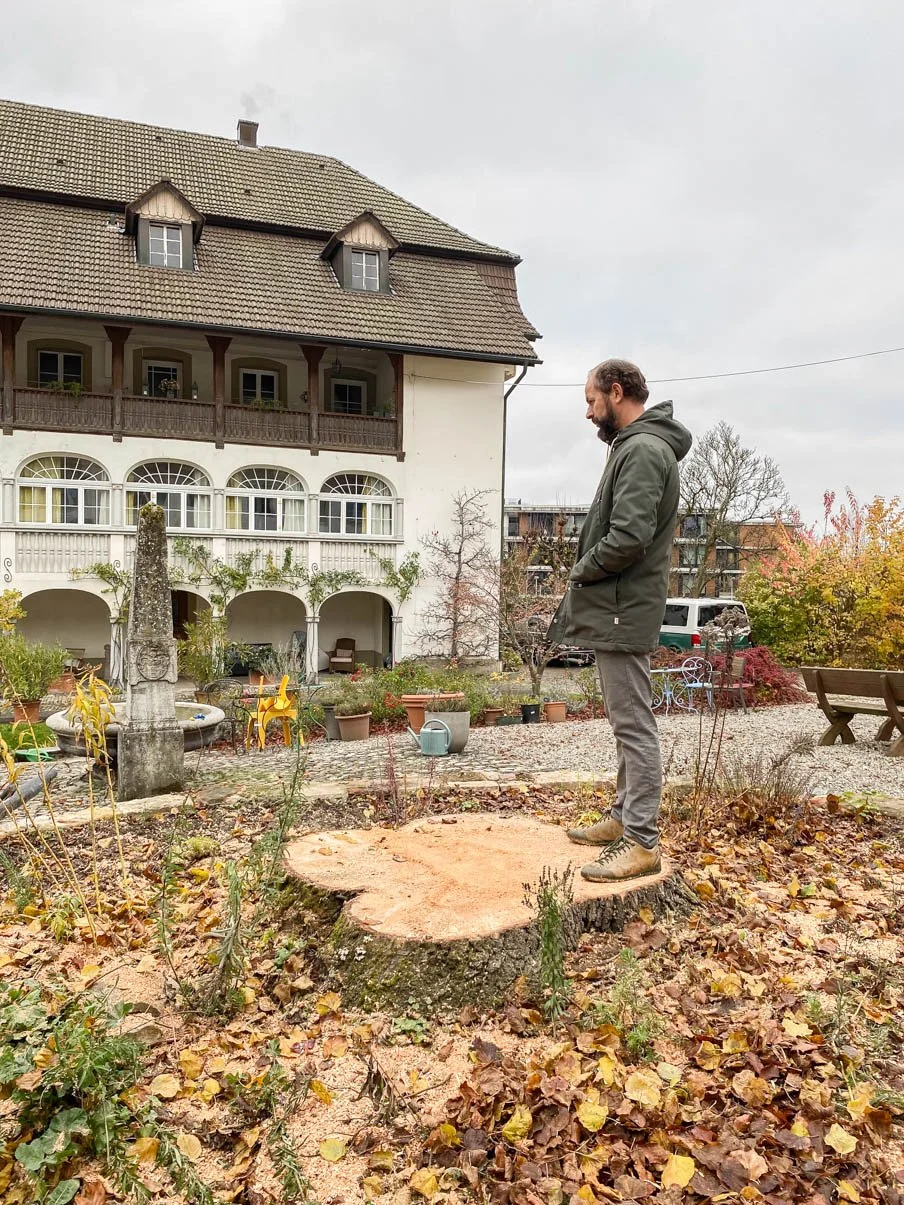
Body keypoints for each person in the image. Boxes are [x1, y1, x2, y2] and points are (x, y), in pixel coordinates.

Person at [547, 359, 692, 883]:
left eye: (591, 401)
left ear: (615, 391)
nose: (588, 413)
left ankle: (642, 841)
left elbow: (629, 537)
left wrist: (581, 569)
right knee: (624, 721)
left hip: (622, 609)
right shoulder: (634, 446)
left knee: (633, 725)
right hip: (619, 607)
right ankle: (623, 818)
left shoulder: (644, 449)